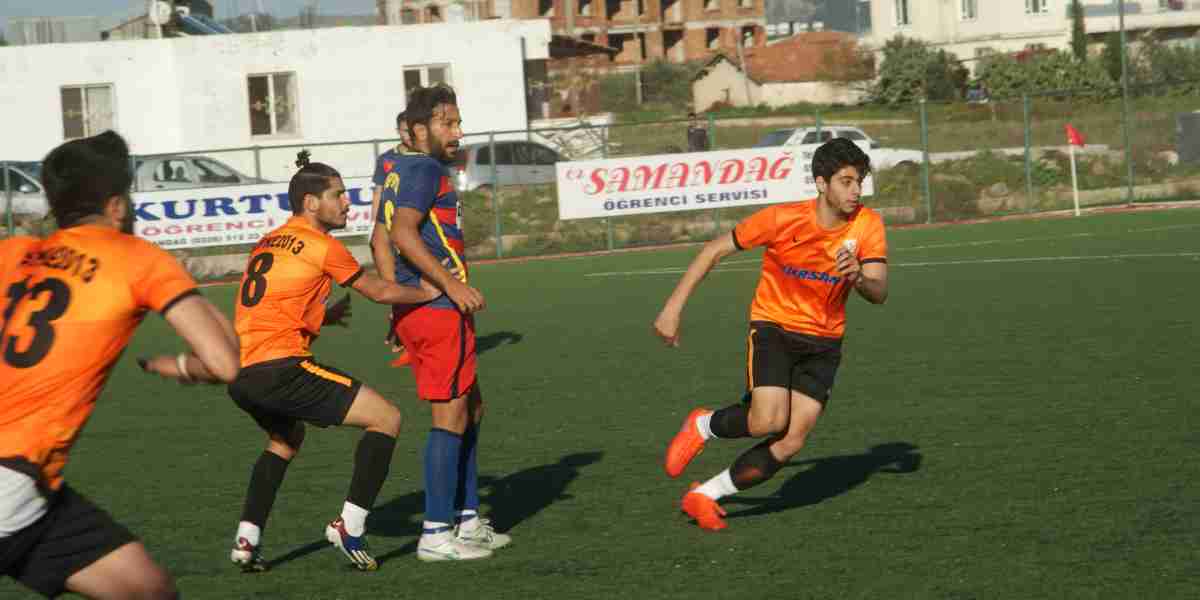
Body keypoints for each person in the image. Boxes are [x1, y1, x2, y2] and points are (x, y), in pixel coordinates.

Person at [0, 131, 241, 599]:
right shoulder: (135, 258)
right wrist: (183, 366)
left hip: (31, 488)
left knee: (146, 588)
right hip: (13, 479)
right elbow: (226, 362)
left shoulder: (12, 253)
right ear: (116, 206)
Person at [226, 150, 449, 572]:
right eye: (338, 195)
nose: (347, 202)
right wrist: (430, 292)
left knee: (285, 439)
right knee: (386, 418)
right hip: (281, 369)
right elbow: (380, 291)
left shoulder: (269, 240)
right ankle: (350, 526)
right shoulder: (321, 245)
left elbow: (269, 303)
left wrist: (323, 316)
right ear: (311, 203)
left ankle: (246, 539)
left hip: (242, 373)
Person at [654, 138, 889, 531]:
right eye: (846, 181)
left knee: (791, 440)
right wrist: (672, 309)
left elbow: (879, 292)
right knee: (767, 421)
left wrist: (858, 277)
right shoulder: (782, 219)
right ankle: (703, 425)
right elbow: (712, 251)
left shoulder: (868, 224)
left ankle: (703, 495)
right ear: (820, 183)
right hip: (775, 327)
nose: (855, 191)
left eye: (859, 182)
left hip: (825, 343)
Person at [380, 84, 509, 561]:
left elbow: (386, 235)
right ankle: (436, 533)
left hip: (426, 307)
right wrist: (450, 286)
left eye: (458, 122)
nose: (457, 132)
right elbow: (400, 232)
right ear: (417, 131)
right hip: (436, 309)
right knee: (450, 414)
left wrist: (398, 303)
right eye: (446, 123)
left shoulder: (408, 168)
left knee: (471, 408)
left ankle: (468, 520)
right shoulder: (424, 168)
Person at [371, 109, 416, 367]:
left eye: (412, 129)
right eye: (403, 130)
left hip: (413, 230)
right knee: (396, 286)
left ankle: (413, 342)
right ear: (398, 131)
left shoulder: (425, 158)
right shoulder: (387, 159)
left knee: (415, 284)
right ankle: (406, 340)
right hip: (390, 230)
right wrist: (375, 227)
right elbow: (378, 193)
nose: (408, 134)